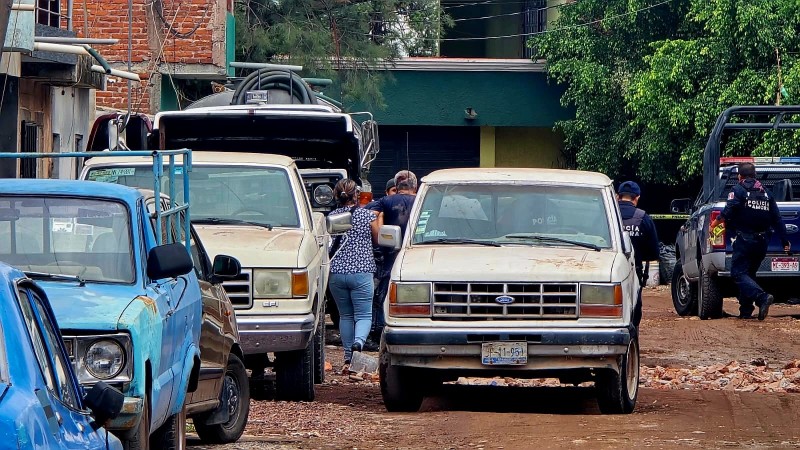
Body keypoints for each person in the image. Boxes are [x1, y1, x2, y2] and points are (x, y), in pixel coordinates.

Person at [709, 163, 790, 320]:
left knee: (738, 273)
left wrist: (715, 223)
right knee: (749, 274)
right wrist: (785, 240)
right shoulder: (766, 193)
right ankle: (745, 311)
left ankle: (762, 298)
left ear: (739, 176)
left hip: (746, 239)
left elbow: (729, 210)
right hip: (762, 242)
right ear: (755, 175)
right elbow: (777, 219)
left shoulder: (738, 190)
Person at [328, 179, 379, 364]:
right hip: (362, 272)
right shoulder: (367, 216)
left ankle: (348, 356)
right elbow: (378, 238)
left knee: (345, 316)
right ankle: (359, 342)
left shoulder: (331, 217)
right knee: (364, 315)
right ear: (356, 195)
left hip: (336, 273)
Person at [366, 170, 418, 343]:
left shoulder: (384, 201)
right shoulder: (423, 201)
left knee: (384, 295)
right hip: (419, 257)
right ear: (415, 187)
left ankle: (379, 333)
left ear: (396, 187)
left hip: (391, 256)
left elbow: (369, 216)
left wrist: (379, 236)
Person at [617, 181, 659, 328]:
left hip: (610, 272)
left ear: (617, 196)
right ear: (637, 198)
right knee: (634, 307)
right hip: (635, 270)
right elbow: (654, 252)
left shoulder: (609, 216)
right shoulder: (643, 217)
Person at [363, 177, 398, 349]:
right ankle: (375, 331)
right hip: (379, 258)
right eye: (393, 192)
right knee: (376, 296)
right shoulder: (379, 210)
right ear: (387, 193)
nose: (396, 197)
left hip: (395, 259)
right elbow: (377, 238)